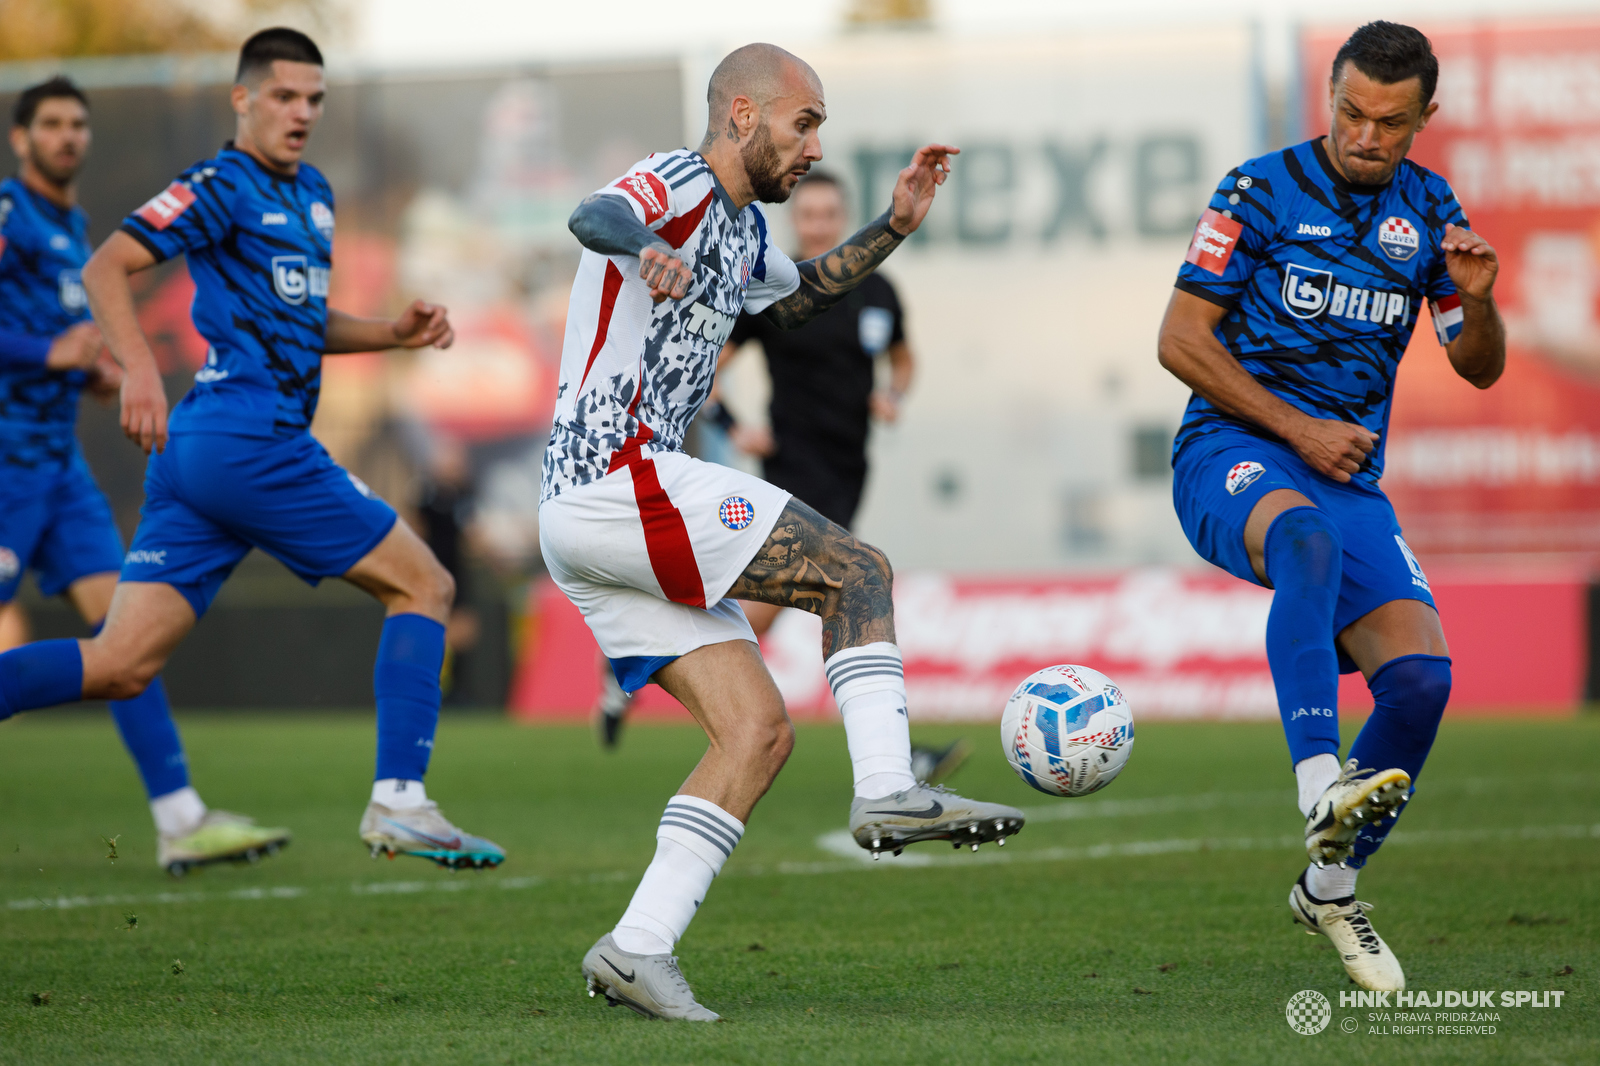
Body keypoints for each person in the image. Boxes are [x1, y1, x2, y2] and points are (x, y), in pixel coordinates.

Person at [543, 43, 1024, 1021]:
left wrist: (893, 224)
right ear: (744, 117)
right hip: (615, 476)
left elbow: (801, 290)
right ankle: (889, 788)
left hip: (597, 512)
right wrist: (643, 249)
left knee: (756, 732)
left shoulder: (741, 235)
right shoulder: (676, 186)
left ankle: (636, 946)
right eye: (804, 124)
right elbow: (593, 215)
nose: (814, 146)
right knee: (856, 570)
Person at [0, 29, 505, 872]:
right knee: (427, 584)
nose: (301, 112)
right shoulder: (219, 184)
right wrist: (139, 375)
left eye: (314, 99)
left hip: (207, 458)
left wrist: (393, 334)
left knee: (121, 664)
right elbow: (105, 268)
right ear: (243, 100)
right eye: (283, 96)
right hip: (247, 437)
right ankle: (401, 801)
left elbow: (303, 325)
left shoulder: (314, 193)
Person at [1158, 21, 1503, 992]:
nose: (1364, 134)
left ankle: (1328, 887)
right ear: (1331, 100)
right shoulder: (1256, 190)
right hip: (1231, 447)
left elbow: (1476, 368)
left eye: (1388, 122)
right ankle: (1321, 782)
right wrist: (1298, 428)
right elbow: (1180, 338)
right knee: (1302, 540)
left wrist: (1476, 302)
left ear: (1421, 118)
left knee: (1422, 683)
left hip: (1344, 474)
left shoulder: (1430, 209)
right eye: (1350, 111)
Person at [0, 76, 289, 876]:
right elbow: (28, 341)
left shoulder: (68, 228)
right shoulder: (9, 213)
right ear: (21, 139)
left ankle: (179, 817)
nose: (68, 136)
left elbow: (50, 342)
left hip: (57, 471)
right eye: (51, 124)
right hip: (4, 465)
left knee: (124, 643)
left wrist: (83, 372)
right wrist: (44, 354)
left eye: (77, 124)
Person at [591, 171, 968, 782]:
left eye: (828, 214)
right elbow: (711, 369)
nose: (818, 223)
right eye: (809, 214)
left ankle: (631, 661)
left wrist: (894, 393)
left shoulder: (878, 292)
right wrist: (734, 424)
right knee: (822, 594)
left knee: (803, 596)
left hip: (850, 466)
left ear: (842, 217)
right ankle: (890, 758)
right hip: (791, 465)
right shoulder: (776, 292)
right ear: (799, 220)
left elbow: (903, 356)